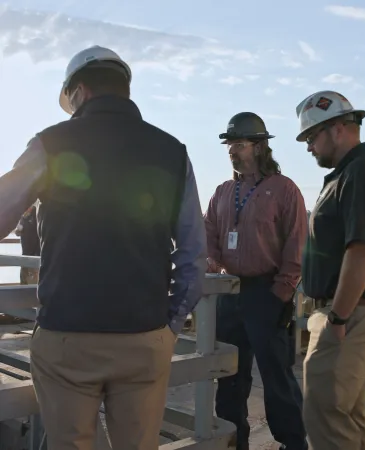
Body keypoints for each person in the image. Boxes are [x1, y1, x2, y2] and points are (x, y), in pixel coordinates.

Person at [0, 45, 206, 450]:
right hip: (145, 335)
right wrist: (169, 325)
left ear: (79, 92)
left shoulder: (51, 144)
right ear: (125, 91)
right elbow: (194, 255)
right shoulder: (173, 152)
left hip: (68, 335)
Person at [296, 90, 365, 450]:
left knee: (325, 412)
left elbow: (362, 250)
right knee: (348, 415)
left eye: (311, 137)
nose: (309, 147)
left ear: (337, 128)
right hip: (349, 311)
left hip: (349, 313)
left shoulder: (362, 172)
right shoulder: (351, 173)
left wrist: (337, 318)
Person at [204, 112, 308, 450]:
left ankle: (292, 443)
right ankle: (235, 442)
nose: (232, 150)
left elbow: (296, 245)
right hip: (228, 294)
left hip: (267, 293)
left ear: (260, 147)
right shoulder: (222, 192)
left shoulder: (284, 190)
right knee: (229, 377)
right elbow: (208, 237)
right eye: (229, 144)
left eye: (239, 144)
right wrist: (216, 267)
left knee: (277, 376)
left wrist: (282, 295)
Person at [15, 203, 40, 284]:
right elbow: (17, 232)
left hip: (36, 252)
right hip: (25, 251)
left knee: (35, 276)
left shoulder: (36, 213)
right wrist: (18, 230)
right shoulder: (23, 216)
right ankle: (22, 287)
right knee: (24, 273)